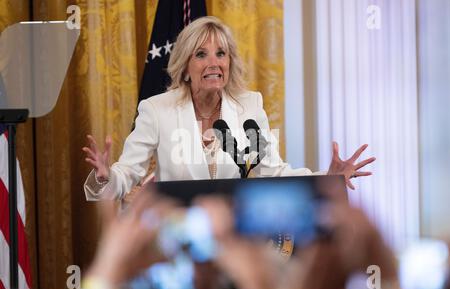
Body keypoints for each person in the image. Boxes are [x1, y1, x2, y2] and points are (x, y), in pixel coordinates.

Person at [83, 16, 375, 201]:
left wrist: (328, 178)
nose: (214, 62)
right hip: (178, 234)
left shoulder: (248, 107)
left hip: (234, 237)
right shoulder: (156, 109)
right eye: (201, 54)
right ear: (185, 67)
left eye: (221, 54)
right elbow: (128, 174)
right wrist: (106, 175)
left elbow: (271, 172)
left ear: (229, 62)